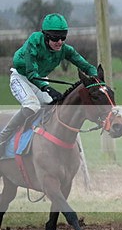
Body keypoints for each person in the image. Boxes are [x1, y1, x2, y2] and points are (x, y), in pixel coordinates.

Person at [0, 13, 98, 148]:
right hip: (22, 78)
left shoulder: (65, 50)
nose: (60, 42)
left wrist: (97, 80)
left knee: (55, 108)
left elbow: (87, 67)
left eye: (63, 37)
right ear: (46, 36)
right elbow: (31, 73)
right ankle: (3, 137)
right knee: (31, 106)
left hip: (39, 80)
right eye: (56, 38)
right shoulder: (34, 41)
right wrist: (48, 88)